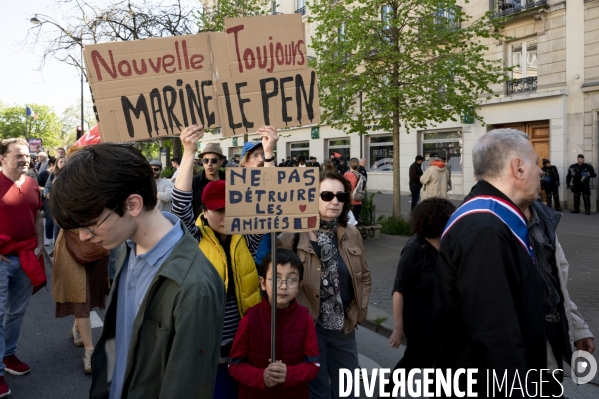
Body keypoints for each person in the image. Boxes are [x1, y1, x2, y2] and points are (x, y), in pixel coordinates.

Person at [48, 143, 225, 399]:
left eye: (91, 225)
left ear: (132, 205)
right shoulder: (127, 248)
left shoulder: (194, 288)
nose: (84, 237)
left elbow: (185, 387)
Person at [434, 129, 547, 394]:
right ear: (518, 168)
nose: (541, 171)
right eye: (535, 162)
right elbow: (496, 336)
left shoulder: (491, 221)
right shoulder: (485, 229)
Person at [171, 125, 265, 399]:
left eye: (230, 208)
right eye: (218, 210)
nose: (225, 215)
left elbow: (267, 198)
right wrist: (189, 152)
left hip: (244, 342)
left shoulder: (246, 238)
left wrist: (267, 153)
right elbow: (179, 205)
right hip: (206, 345)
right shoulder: (193, 236)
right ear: (204, 211)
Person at [278, 171, 371, 399]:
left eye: (340, 196)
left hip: (343, 327)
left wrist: (359, 311)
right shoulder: (293, 234)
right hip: (309, 328)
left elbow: (364, 276)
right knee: (317, 391)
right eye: (327, 195)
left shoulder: (351, 233)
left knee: (348, 390)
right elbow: (278, 280)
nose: (334, 201)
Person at [228, 249, 320, 399]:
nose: (283, 286)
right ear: (263, 283)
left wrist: (288, 374)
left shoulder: (305, 318)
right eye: (276, 279)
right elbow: (234, 365)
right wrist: (261, 377)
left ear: (299, 285)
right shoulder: (250, 319)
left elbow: (314, 365)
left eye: (291, 280)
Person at [525, 199, 594, 395]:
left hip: (553, 338)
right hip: (523, 353)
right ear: (516, 169)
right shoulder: (491, 224)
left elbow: (557, 287)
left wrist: (579, 329)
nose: (540, 173)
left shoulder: (543, 219)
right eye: (534, 167)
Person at [0, 138, 46, 397]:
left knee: (16, 312)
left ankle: (8, 356)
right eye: (18, 155)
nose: (24, 159)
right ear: (2, 158)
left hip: (27, 257)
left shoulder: (31, 184)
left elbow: (37, 217)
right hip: (2, 259)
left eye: (27, 155)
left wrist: (40, 245)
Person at [388, 198, 455, 374]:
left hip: (439, 320)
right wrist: (398, 328)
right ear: (437, 221)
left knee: (433, 363)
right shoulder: (414, 249)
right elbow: (398, 290)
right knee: (415, 359)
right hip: (419, 323)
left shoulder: (445, 246)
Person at [191, 143, 226, 221]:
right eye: (206, 160)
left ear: (221, 161)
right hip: (199, 229)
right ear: (201, 161)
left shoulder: (230, 181)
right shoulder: (193, 183)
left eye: (214, 160)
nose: (209, 164)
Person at [38, 157, 56, 247]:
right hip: (47, 200)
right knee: (49, 220)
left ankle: (57, 241)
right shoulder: (44, 174)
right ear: (52, 164)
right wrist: (46, 191)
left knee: (57, 222)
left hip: (58, 201)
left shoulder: (63, 173)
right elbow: (37, 185)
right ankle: (49, 238)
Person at [344, 158, 364, 222]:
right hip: (359, 201)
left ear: (350, 165)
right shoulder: (360, 175)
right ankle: (356, 232)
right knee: (356, 221)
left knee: (349, 223)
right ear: (358, 165)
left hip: (350, 201)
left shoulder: (347, 175)